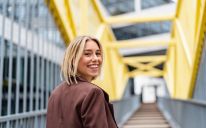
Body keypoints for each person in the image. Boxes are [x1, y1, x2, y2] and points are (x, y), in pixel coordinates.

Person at [46, 36, 118, 128]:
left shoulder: (55, 93)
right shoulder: (93, 93)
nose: (95, 59)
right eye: (87, 54)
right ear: (73, 59)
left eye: (98, 53)